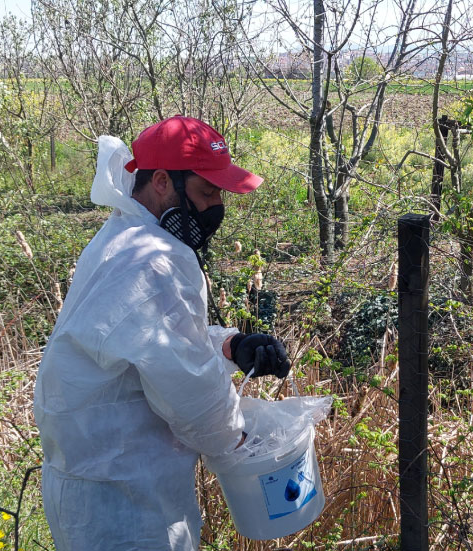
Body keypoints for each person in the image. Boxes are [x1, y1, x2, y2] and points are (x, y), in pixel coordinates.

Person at [34, 116, 292, 550]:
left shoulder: (124, 237)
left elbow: (152, 343)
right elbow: (188, 389)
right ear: (161, 182)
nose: (215, 208)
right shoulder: (153, 258)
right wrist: (241, 445)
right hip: (125, 501)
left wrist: (231, 346)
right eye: (206, 191)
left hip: (105, 483)